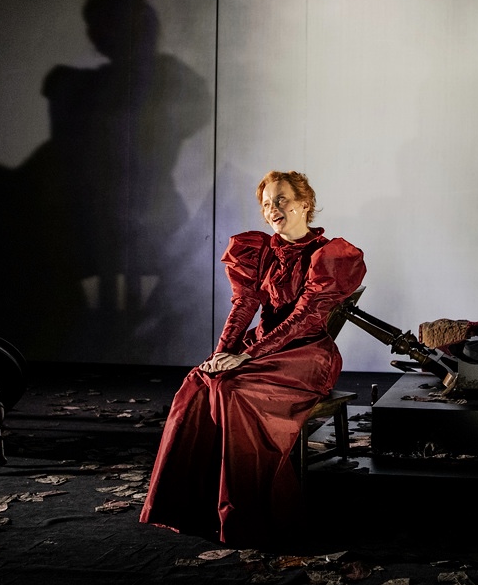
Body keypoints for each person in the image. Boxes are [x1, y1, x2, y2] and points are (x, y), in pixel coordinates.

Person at [139, 170, 367, 547]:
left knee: (232, 388)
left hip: (307, 354)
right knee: (200, 381)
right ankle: (193, 505)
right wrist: (222, 354)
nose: (273, 208)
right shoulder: (258, 251)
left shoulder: (328, 255)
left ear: (305, 203)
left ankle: (248, 512)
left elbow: (303, 320)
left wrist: (244, 357)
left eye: (281, 199)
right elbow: (244, 306)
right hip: (262, 345)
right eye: (266, 204)